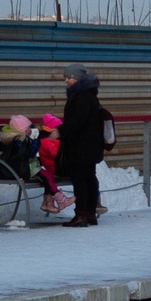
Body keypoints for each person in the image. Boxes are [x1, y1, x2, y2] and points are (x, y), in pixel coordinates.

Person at [56, 65, 108, 227]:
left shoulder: (82, 96)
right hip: (90, 145)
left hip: (81, 146)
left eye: (69, 77)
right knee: (89, 178)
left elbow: (77, 121)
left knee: (80, 180)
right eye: (65, 77)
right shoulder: (88, 94)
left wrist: (60, 131)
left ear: (78, 79)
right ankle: (90, 214)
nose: (66, 80)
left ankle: (81, 215)